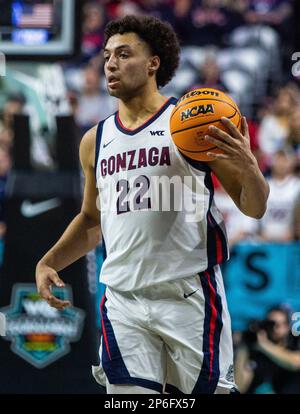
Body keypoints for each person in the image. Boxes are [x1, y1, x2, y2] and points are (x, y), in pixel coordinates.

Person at [35, 14, 269, 395]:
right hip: (124, 298)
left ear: (153, 63)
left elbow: (254, 207)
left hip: (188, 293)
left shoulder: (192, 123)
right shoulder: (94, 140)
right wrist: (49, 261)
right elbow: (93, 219)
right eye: (107, 55)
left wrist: (249, 167)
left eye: (124, 54)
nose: (110, 63)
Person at [235, 305, 300, 394]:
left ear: (288, 326)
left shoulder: (295, 342)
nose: (275, 328)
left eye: (281, 324)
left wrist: (264, 345)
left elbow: (295, 363)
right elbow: (240, 387)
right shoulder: (257, 351)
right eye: (271, 324)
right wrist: (243, 349)